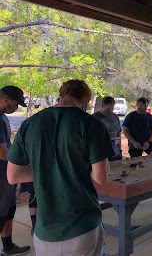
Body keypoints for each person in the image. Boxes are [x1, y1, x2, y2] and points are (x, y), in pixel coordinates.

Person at [7, 79, 113, 255]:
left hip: (44, 231)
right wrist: (71, 167)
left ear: (62, 95)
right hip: (82, 225)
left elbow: (13, 176)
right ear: (86, 98)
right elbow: (100, 177)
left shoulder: (30, 124)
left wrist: (47, 168)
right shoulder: (91, 124)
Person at [0, 86, 30, 256]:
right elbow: (3, 153)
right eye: (16, 104)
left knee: (8, 212)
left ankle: (8, 247)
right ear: (7, 101)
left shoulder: (2, 117)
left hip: (6, 174)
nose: (16, 107)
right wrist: (24, 160)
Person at [93, 96, 123, 161]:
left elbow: (118, 134)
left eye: (112, 108)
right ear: (102, 106)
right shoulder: (94, 117)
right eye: (108, 109)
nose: (110, 110)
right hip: (101, 154)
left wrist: (119, 150)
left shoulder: (115, 117)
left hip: (115, 153)